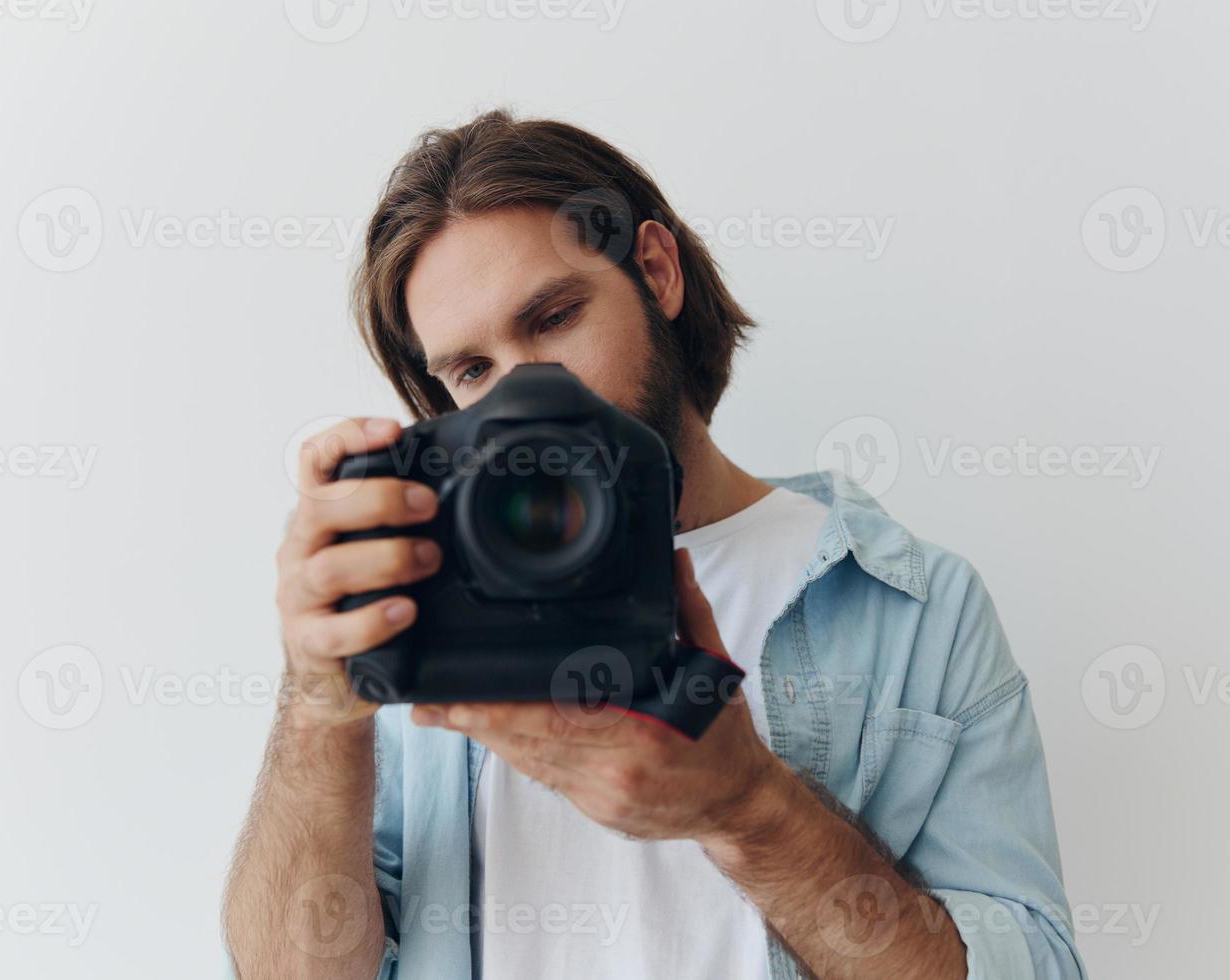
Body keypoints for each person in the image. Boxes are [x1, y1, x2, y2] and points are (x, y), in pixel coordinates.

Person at [222, 108, 1086, 980]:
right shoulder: (423, 610)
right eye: (473, 371)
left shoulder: (915, 610)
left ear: (657, 272)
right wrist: (318, 699)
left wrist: (748, 804)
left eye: (554, 316)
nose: (527, 392)